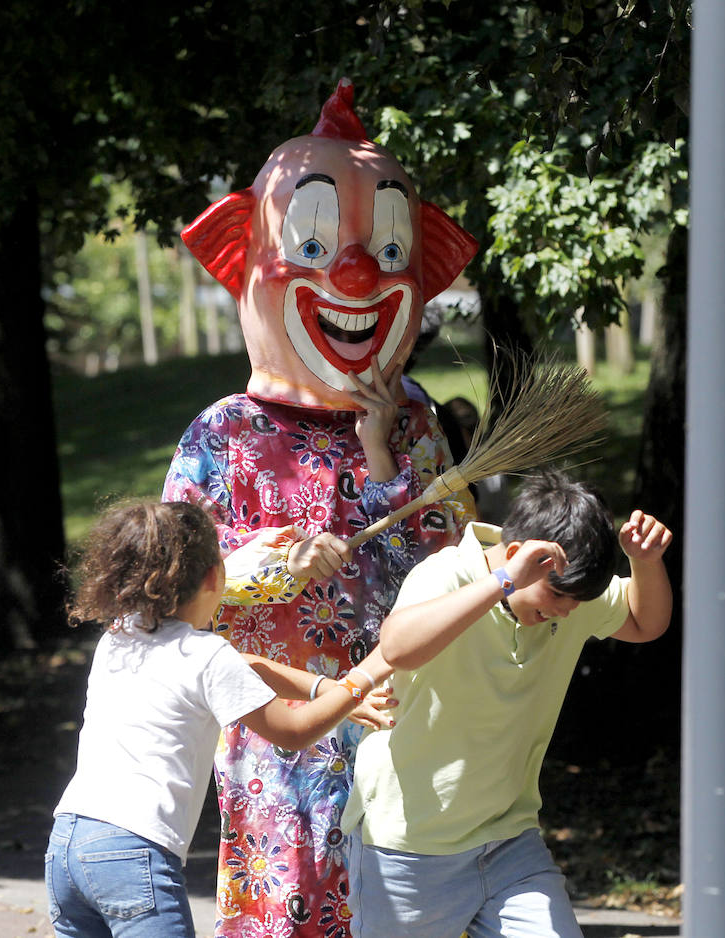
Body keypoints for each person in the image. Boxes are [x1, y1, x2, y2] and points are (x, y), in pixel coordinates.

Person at [165, 79, 477, 936]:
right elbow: (169, 601)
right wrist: (264, 564)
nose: (353, 273)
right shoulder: (223, 435)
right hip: (282, 747)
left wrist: (383, 457)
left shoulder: (415, 422)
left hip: (403, 739)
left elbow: (453, 576)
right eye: (313, 243)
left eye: (385, 250)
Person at [342, 469, 674, 938]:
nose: (565, 610)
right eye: (556, 594)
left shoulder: (569, 598)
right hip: (408, 846)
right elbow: (396, 647)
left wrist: (645, 562)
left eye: (576, 602)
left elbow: (644, 622)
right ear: (516, 557)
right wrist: (501, 582)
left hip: (508, 840)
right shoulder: (448, 573)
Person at [46, 500, 397, 938]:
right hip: (135, 851)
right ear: (216, 576)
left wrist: (325, 689)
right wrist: (366, 674)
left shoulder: (121, 634)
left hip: (67, 843)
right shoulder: (207, 656)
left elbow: (243, 666)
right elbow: (292, 732)